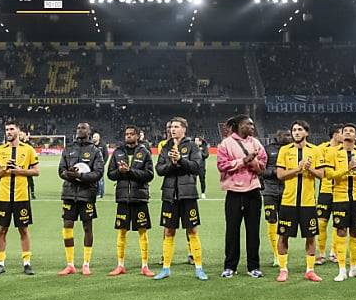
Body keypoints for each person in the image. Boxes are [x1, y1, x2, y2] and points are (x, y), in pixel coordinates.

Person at [153, 117, 207, 280]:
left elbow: (197, 167)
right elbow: (160, 169)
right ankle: (166, 268)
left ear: (184, 129)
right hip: (170, 195)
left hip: (188, 194)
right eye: (172, 127)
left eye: (176, 127)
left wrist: (181, 160)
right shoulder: (166, 147)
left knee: (192, 230)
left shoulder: (192, 146)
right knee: (169, 231)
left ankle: (198, 267)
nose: (173, 129)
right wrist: (173, 163)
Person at [217, 115, 267, 279]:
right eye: (248, 124)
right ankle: (230, 266)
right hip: (233, 192)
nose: (252, 127)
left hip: (253, 191)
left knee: (253, 231)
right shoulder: (226, 143)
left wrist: (255, 164)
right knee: (232, 230)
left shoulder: (256, 143)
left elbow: (263, 166)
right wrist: (243, 161)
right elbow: (222, 165)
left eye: (253, 124)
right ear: (239, 125)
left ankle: (254, 266)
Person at [322, 123, 356, 282]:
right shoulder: (332, 152)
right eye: (345, 131)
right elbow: (329, 175)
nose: (348, 133)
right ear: (342, 136)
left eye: (352, 131)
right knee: (341, 231)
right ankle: (342, 269)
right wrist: (348, 169)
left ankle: (355, 268)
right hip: (340, 197)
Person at [274, 120, 322, 282]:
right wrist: (298, 168)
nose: (296, 132)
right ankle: (283, 269)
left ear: (306, 133)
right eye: (294, 129)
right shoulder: (284, 151)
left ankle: (310, 270)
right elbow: (280, 175)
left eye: (300, 129)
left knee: (310, 236)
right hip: (288, 201)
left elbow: (322, 175)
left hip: (308, 202)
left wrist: (309, 169)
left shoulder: (315, 150)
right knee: (283, 235)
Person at [0, 121, 40, 275]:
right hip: (4, 196)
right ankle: (0, 263)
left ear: (18, 131)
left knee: (23, 229)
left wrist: (20, 170)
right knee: (2, 230)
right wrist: (5, 168)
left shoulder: (28, 150)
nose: (9, 132)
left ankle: (27, 263)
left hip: (21, 196)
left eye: (12, 129)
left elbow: (36, 171)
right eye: (7, 129)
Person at [107, 125, 156, 277]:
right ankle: (120, 265)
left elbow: (149, 175)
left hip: (139, 197)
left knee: (142, 231)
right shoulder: (117, 152)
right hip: (123, 198)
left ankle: (145, 266)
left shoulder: (144, 152)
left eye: (131, 134)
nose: (128, 136)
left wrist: (130, 171)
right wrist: (120, 172)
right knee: (122, 231)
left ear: (137, 136)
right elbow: (110, 174)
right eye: (126, 134)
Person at [57, 122, 104, 276]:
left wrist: (81, 176)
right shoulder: (68, 148)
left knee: (87, 227)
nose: (80, 130)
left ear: (89, 131)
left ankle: (86, 263)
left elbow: (98, 173)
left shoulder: (95, 151)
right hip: (69, 193)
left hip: (87, 194)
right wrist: (69, 174)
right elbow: (61, 171)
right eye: (78, 128)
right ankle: (70, 264)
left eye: (83, 128)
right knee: (67, 226)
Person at [261, 129, 292, 268]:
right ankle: (276, 255)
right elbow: (261, 170)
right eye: (286, 135)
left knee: (285, 223)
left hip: (287, 191)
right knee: (272, 221)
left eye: (289, 135)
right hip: (270, 191)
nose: (289, 137)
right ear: (278, 136)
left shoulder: (293, 150)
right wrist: (274, 172)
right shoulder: (267, 150)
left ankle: (282, 253)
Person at [315, 126, 342, 265]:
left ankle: (334, 252)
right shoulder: (321, 148)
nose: (345, 135)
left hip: (340, 191)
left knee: (339, 224)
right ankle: (321, 253)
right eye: (342, 132)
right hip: (325, 190)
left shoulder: (345, 149)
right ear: (335, 134)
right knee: (321, 223)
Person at [92, 132, 108, 199]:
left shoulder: (103, 145)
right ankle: (95, 192)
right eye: (93, 137)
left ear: (98, 138)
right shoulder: (91, 145)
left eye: (95, 137)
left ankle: (100, 193)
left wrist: (103, 163)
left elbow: (106, 155)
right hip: (93, 165)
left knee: (100, 180)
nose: (94, 138)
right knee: (93, 179)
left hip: (100, 165)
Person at [23, 131, 38, 199]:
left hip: (28, 165)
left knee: (30, 181)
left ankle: (32, 193)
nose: (20, 136)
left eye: (22, 135)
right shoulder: (18, 143)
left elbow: (32, 151)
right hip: (21, 165)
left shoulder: (28, 144)